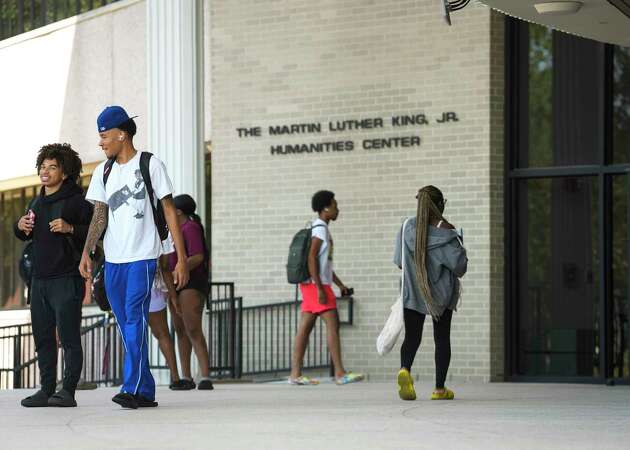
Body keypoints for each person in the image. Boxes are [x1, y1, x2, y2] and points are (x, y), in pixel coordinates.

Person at [79, 105, 190, 409]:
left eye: (104, 136)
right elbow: (99, 215)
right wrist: (88, 252)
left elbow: (169, 210)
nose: (100, 143)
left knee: (134, 319)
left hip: (143, 256)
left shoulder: (150, 164)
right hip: (114, 259)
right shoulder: (104, 170)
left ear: (122, 134)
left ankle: (131, 386)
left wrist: (180, 258)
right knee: (125, 321)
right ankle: (147, 389)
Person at [14, 143, 93, 408]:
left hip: (66, 278)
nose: (45, 172)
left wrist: (71, 228)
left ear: (65, 172)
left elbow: (96, 233)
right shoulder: (37, 200)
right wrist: (20, 226)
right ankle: (46, 389)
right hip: (39, 280)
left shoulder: (76, 202)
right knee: (43, 337)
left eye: (52, 167)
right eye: (42, 167)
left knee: (69, 337)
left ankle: (68, 390)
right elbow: (25, 233)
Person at [394, 185, 468, 401]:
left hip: (412, 292)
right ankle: (439, 389)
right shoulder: (447, 232)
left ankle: (405, 369)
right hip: (441, 295)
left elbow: (400, 263)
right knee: (442, 338)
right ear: (441, 204)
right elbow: (460, 268)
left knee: (412, 337)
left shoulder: (407, 227)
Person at [289, 190, 364, 386]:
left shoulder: (318, 227)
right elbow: (311, 258)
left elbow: (325, 264)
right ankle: (340, 373)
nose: (337, 209)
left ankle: (295, 374)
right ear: (326, 208)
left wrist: (340, 285)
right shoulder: (321, 229)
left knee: (305, 328)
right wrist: (321, 288)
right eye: (335, 205)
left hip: (310, 285)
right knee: (332, 324)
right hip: (317, 286)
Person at [167, 194, 213, 390]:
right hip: (174, 283)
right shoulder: (171, 231)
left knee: (192, 327)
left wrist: (180, 267)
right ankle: (185, 376)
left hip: (192, 282)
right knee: (179, 329)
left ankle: (204, 376)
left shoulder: (190, 227)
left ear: (178, 211)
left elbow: (198, 256)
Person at [148, 239, 189, 390]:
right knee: (163, 333)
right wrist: (173, 295)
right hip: (155, 286)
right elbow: (165, 268)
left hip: (131, 285)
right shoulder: (159, 234)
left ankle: (135, 377)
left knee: (135, 334)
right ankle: (175, 377)